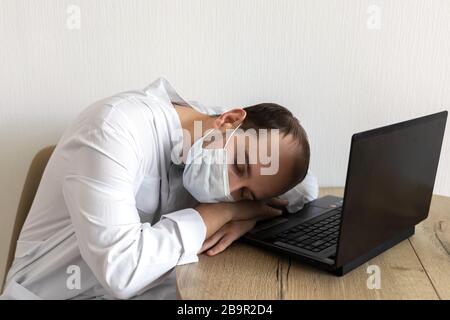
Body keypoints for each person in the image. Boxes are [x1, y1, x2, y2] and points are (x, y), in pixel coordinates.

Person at [1, 78, 318, 300]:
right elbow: (121, 272)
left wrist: (250, 212)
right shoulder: (114, 129)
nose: (230, 186)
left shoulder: (215, 129)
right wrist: (225, 212)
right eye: (239, 166)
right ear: (229, 119)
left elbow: (305, 187)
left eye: (245, 192)